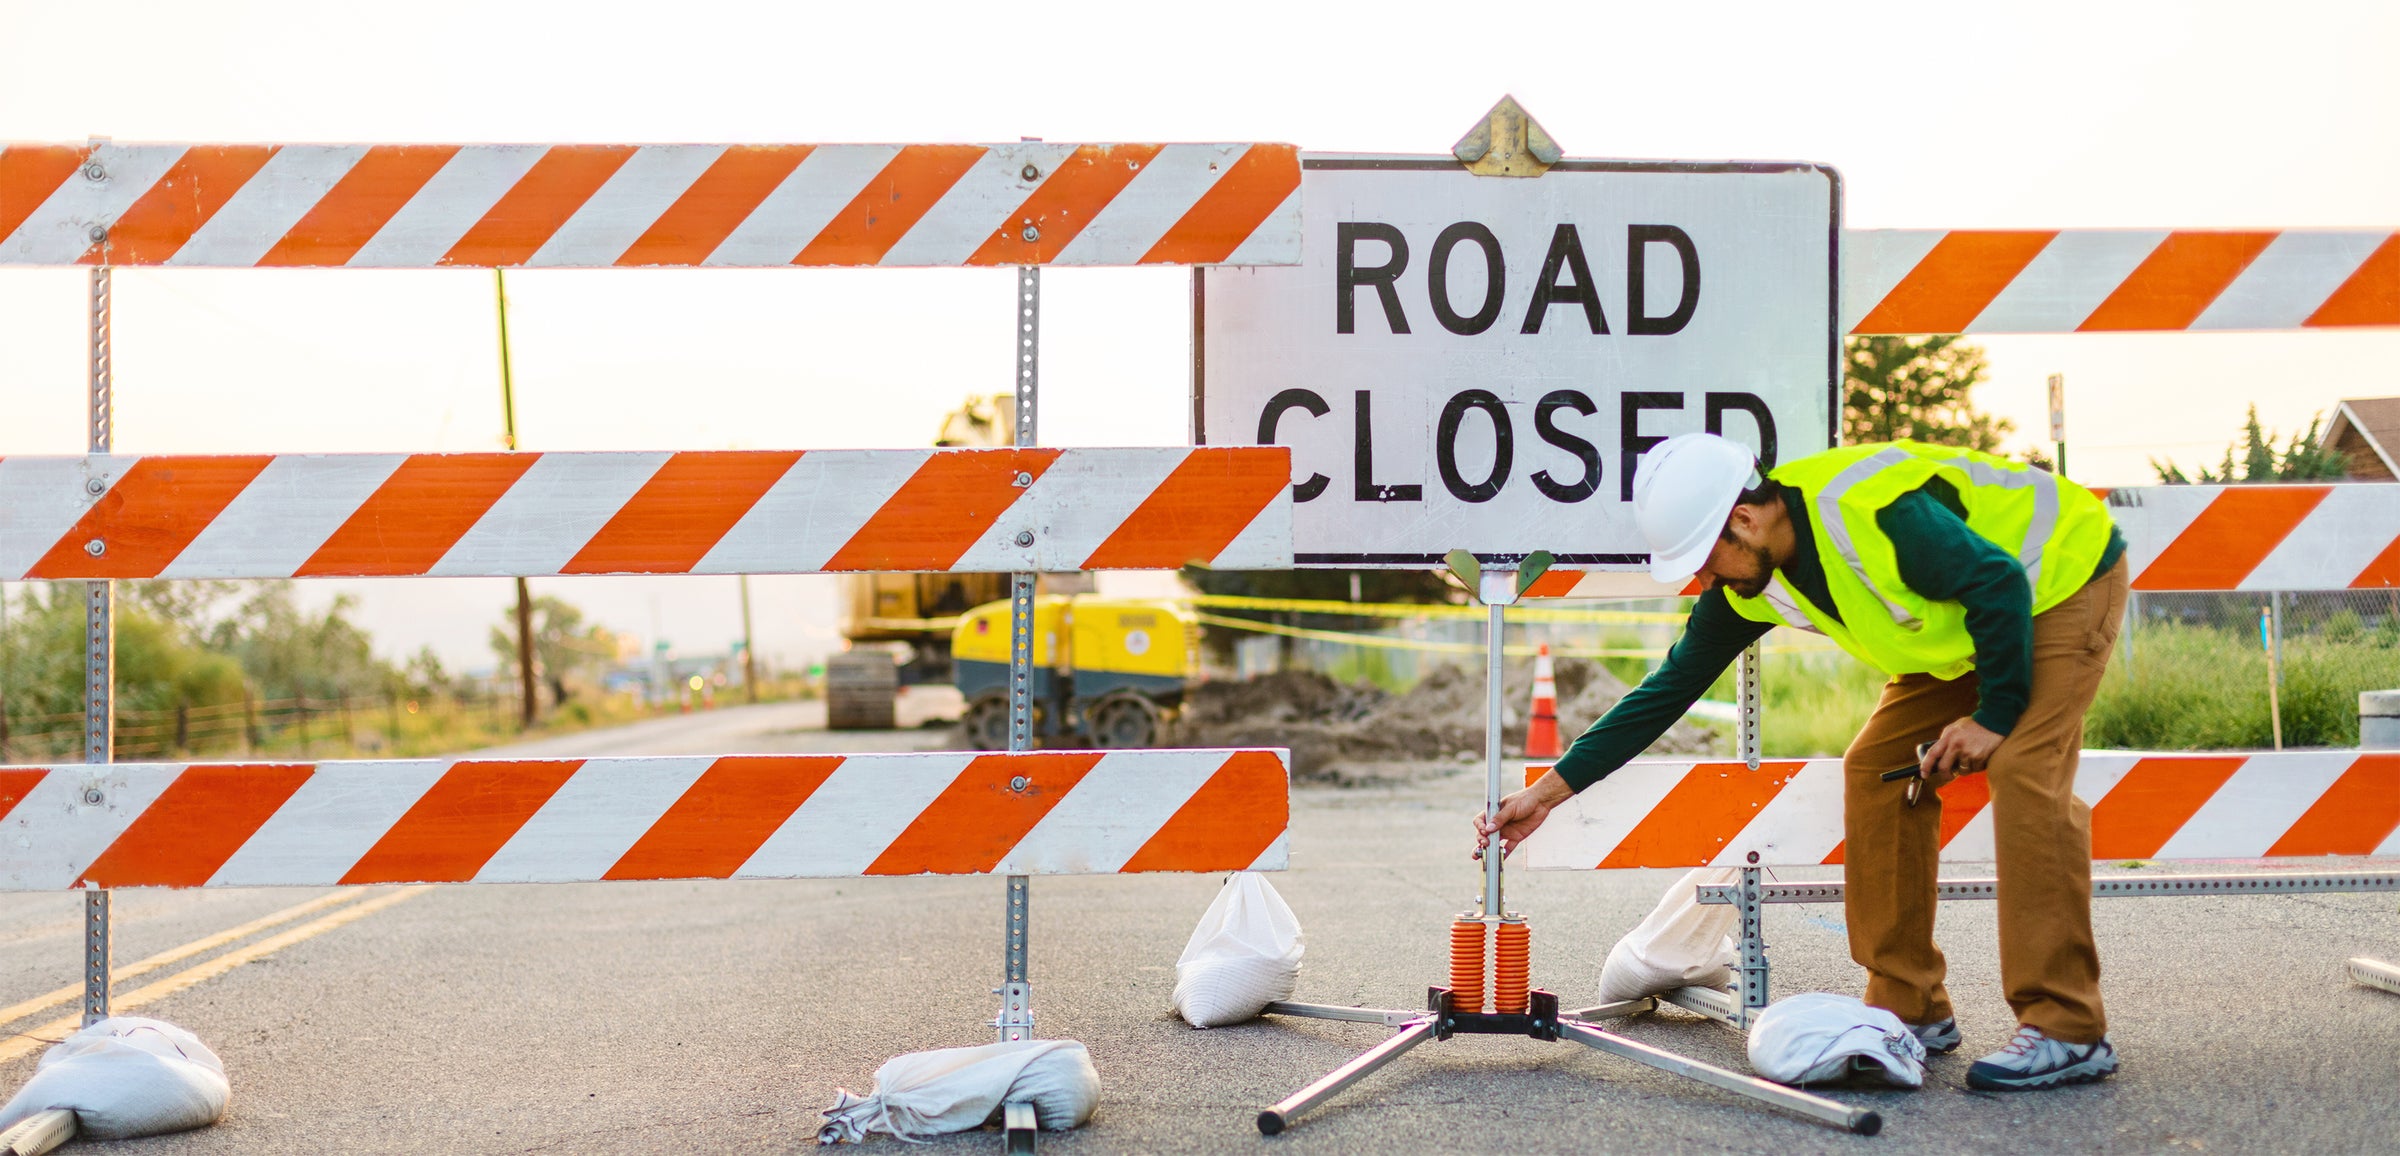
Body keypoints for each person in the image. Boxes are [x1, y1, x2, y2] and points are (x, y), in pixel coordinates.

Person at [1474, 433, 2129, 1092]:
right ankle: (1910, 1006)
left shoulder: (1873, 514)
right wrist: (1548, 794)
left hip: (2060, 578)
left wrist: (1995, 715)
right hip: (1972, 623)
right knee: (1876, 766)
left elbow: (1997, 580)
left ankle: (2067, 1027)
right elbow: (1664, 693)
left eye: (1706, 561)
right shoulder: (1748, 582)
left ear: (1745, 519)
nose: (1705, 581)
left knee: (2023, 769)